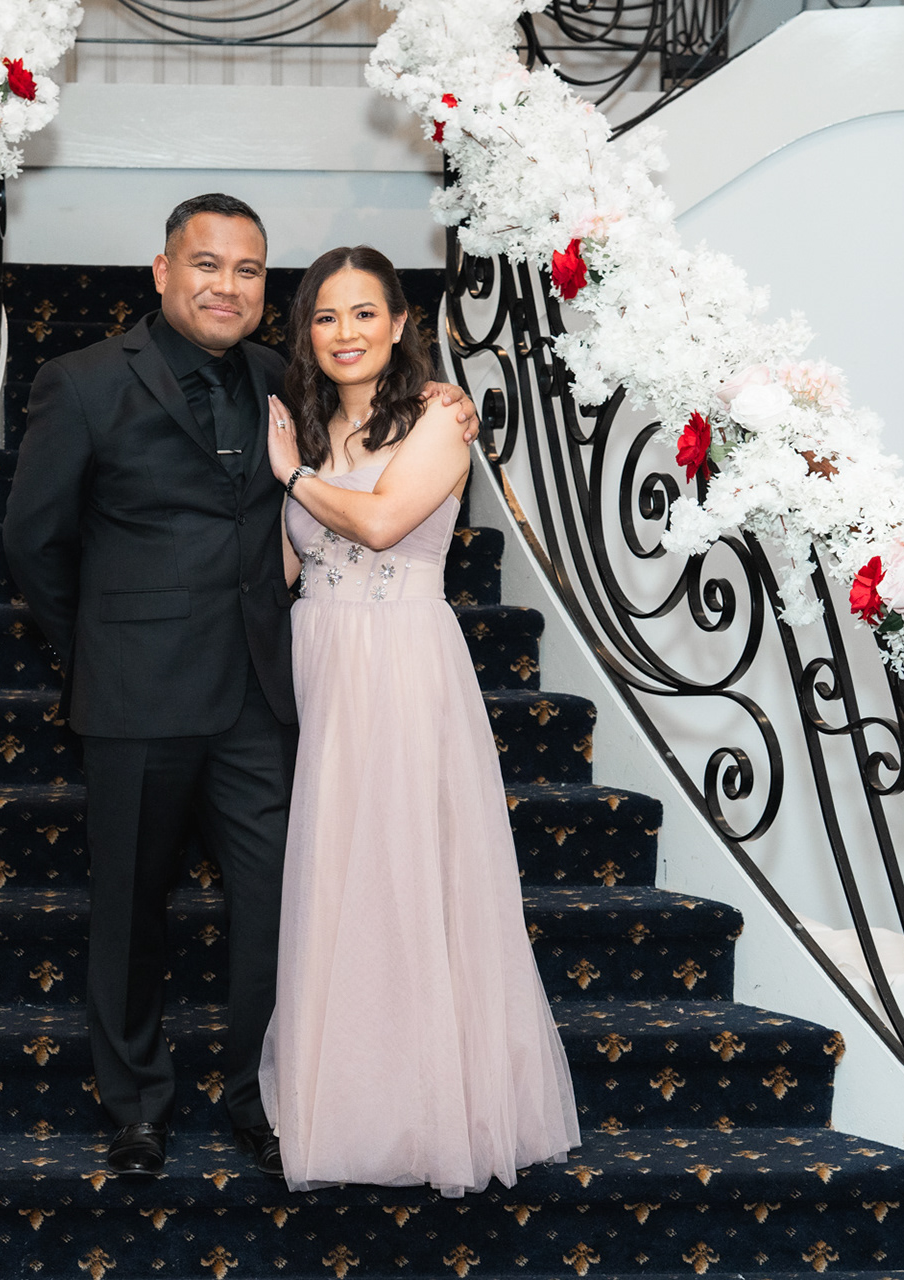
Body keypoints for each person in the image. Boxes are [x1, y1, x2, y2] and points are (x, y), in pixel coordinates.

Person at [3, 197, 475, 1177]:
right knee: (129, 909)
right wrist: (93, 657)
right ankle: (138, 1106)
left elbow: (350, 462)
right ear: (163, 271)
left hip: (263, 694)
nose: (228, 285)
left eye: (250, 270)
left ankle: (260, 1094)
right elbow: (34, 539)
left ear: (267, 289)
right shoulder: (80, 381)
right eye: (207, 264)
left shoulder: (279, 383)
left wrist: (439, 397)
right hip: (135, 696)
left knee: (279, 907)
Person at [257, 245, 581, 1196]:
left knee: (406, 876)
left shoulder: (440, 417)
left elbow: (382, 521)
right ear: (306, 333)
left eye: (365, 313)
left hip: (400, 663)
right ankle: (347, 1104)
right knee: (333, 882)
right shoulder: (305, 427)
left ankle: (431, 1110)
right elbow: (285, 567)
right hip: (317, 661)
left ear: (401, 323)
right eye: (325, 316)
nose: (345, 333)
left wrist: (289, 476)